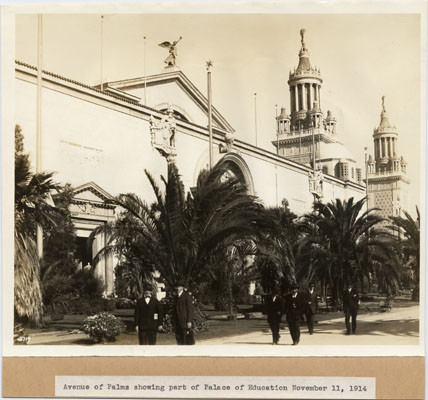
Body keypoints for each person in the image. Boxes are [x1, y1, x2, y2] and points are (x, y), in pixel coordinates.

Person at [174, 280, 195, 345]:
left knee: (186, 340)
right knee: (179, 340)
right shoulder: (176, 297)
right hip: (177, 322)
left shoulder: (186, 296)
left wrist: (189, 321)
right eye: (177, 287)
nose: (177, 288)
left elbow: (190, 309)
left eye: (179, 287)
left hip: (185, 321)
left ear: (182, 287)